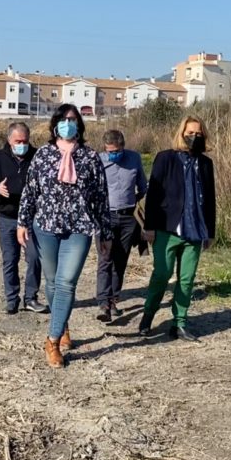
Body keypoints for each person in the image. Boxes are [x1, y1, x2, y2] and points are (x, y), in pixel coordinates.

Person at [18, 104, 112, 369]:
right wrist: (22, 222)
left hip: (79, 228)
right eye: (63, 119)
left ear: (79, 125)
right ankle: (63, 323)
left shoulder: (90, 157)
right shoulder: (43, 155)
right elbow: (30, 190)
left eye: (72, 120)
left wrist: (105, 231)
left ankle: (52, 340)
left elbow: (101, 198)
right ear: (55, 124)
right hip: (45, 226)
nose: (67, 124)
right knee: (51, 282)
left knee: (66, 282)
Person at [138, 115, 216, 342]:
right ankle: (147, 317)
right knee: (161, 275)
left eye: (199, 134)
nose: (194, 137)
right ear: (181, 134)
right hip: (167, 228)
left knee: (187, 279)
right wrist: (149, 226)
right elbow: (153, 195)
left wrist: (210, 231)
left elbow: (210, 198)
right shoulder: (165, 158)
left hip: (195, 230)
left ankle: (179, 323)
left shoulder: (206, 163)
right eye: (190, 133)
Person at [0, 122, 46, 315]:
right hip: (7, 218)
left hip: (32, 219)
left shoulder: (37, 157)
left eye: (25, 141)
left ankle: (31, 298)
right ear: (9, 140)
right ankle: (11, 299)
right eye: (18, 141)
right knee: (10, 260)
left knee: (34, 258)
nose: (22, 144)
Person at [95, 129, 147, 322]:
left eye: (116, 150)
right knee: (105, 259)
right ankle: (103, 303)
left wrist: (137, 206)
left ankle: (114, 299)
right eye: (109, 151)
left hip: (128, 217)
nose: (113, 154)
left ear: (123, 147)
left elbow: (143, 187)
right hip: (106, 217)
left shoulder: (134, 159)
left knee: (120, 260)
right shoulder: (98, 160)